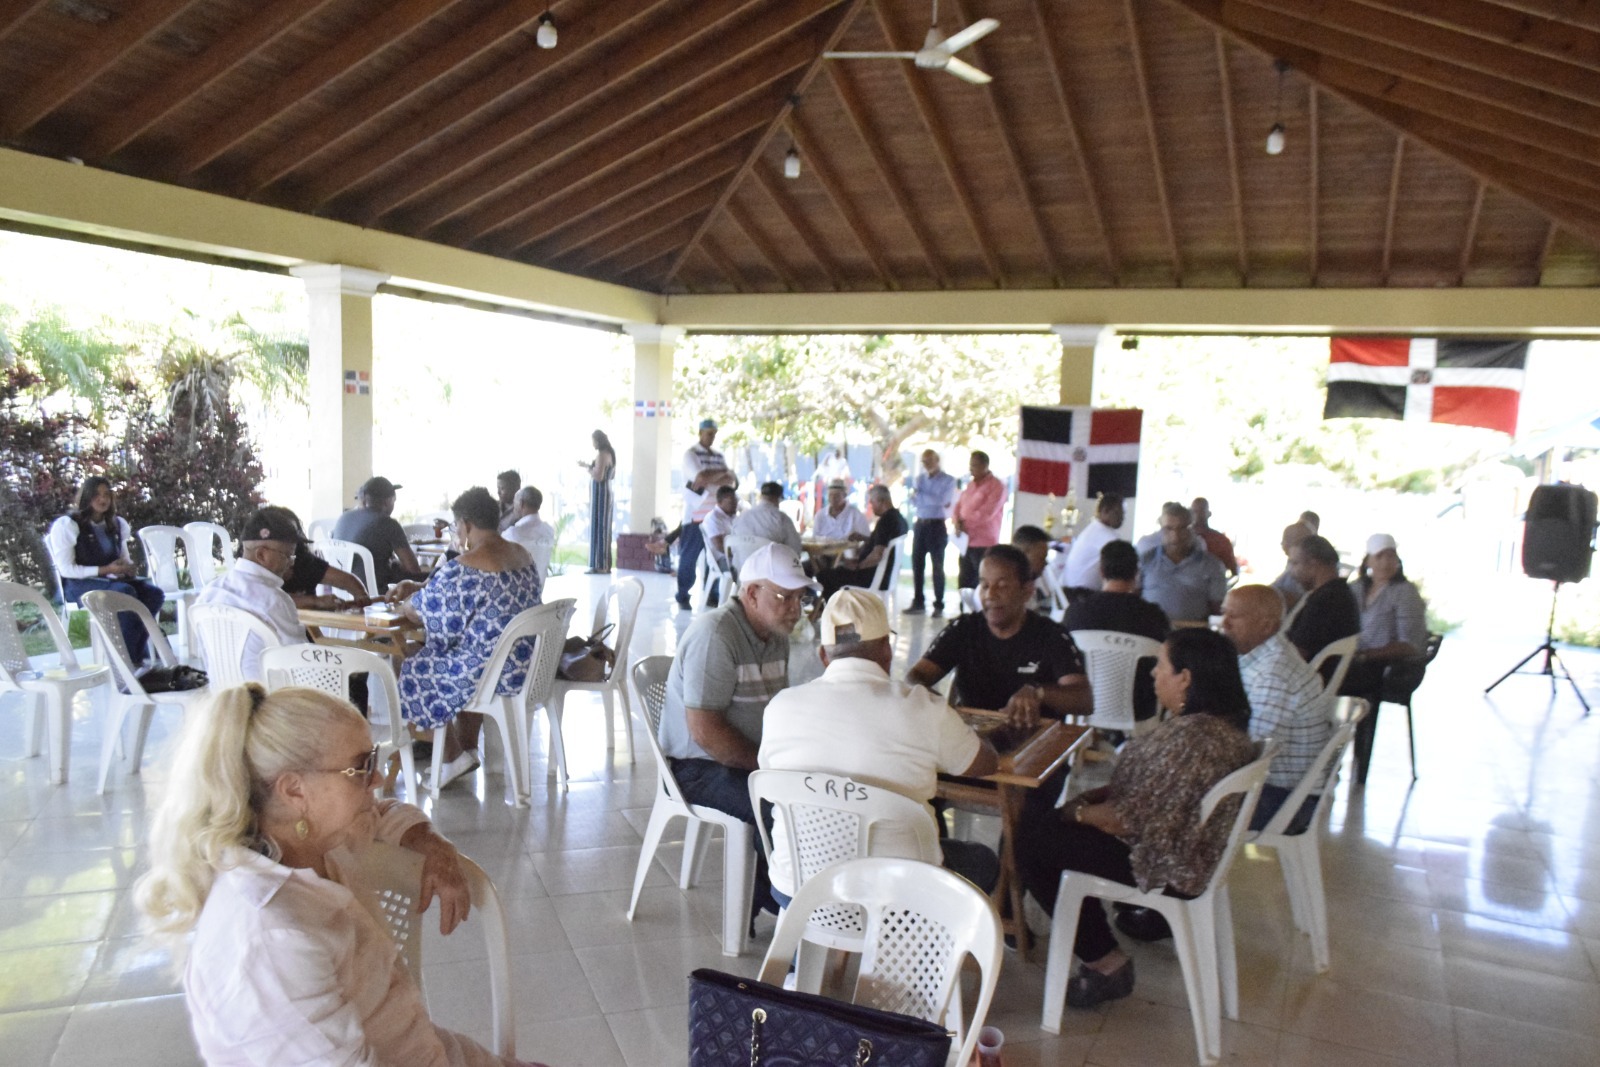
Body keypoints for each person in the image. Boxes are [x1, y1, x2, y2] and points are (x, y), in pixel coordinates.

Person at [134, 684, 541, 1067]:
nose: (379, 779)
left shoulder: (312, 842)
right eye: (362, 768)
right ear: (295, 791)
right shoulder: (271, 939)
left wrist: (431, 845)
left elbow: (385, 814)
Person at [1015, 628, 1257, 1009]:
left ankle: (1105, 962)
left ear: (1186, 678)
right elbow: (1153, 792)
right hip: (1186, 846)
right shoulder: (1220, 725)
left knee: (1032, 840)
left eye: (1161, 666)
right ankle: (1111, 931)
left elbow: (1122, 821)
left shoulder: (1194, 742)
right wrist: (1089, 800)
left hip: (1169, 861)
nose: (1153, 674)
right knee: (1048, 827)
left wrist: (1076, 811)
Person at [758, 589, 1000, 901]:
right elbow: (985, 763)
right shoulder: (923, 709)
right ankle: (924, 947)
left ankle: (807, 946)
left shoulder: (780, 708)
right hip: (898, 896)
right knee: (982, 861)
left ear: (824, 655)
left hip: (798, 888)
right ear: (887, 649)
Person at [657, 543, 814, 918]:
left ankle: (783, 893)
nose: (795, 609)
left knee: (812, 793)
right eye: (784, 597)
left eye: (800, 598)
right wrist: (768, 770)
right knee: (776, 805)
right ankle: (783, 903)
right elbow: (706, 732)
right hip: (694, 767)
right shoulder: (716, 636)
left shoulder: (775, 634)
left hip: (742, 758)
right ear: (752, 593)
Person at [394, 487, 542, 788]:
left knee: (407, 660)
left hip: (490, 672)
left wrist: (404, 601)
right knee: (460, 653)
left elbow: (419, 613)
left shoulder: (467, 565)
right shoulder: (522, 555)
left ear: (466, 525)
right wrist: (422, 587)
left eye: (455, 527)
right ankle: (468, 748)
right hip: (525, 664)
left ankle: (450, 756)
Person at [908, 545, 1092, 724]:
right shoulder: (964, 629)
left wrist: (1038, 692)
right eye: (985, 585)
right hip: (973, 741)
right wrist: (934, 701)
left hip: (1033, 741)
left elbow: (1083, 699)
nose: (990, 594)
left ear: (1027, 591)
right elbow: (914, 677)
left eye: (1002, 586)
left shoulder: (1051, 635)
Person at [1219, 585, 1329, 831]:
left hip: (1283, 800)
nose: (1223, 624)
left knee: (1175, 803)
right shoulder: (1259, 658)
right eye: (1223, 613)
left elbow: (1253, 753)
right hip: (1271, 787)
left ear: (1267, 626)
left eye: (1233, 617)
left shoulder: (1274, 674)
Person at [47, 476, 166, 666]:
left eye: (106, 495)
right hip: (78, 584)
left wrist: (126, 568)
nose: (102, 500)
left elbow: (123, 557)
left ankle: (134, 650)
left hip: (111, 581)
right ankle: (124, 659)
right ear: (86, 497)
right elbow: (67, 569)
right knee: (126, 593)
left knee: (154, 594)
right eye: (96, 495)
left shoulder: (116, 524)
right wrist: (105, 570)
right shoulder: (68, 525)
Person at [1341, 534, 1428, 784]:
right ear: (1368, 560)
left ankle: (1354, 762)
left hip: (1391, 668)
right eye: (1381, 556)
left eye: (1392, 556)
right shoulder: (1356, 589)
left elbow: (1410, 645)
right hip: (1356, 661)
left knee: (1337, 682)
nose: (1387, 562)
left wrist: (1365, 655)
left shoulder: (1405, 593)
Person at [194, 509, 310, 680]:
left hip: (222, 696)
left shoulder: (210, 591)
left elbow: (203, 653)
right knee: (353, 686)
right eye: (288, 555)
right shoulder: (273, 599)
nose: (291, 563)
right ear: (261, 554)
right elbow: (301, 659)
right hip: (268, 700)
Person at [1063, 540, 1170, 720]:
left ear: (1101, 571)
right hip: (1140, 711)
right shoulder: (1154, 616)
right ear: (1136, 574)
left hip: (1083, 708)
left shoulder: (1075, 613)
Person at [677, 419, 737, 609]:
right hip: (695, 515)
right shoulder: (691, 454)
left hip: (716, 515)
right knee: (689, 557)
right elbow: (700, 478)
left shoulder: (718, 456)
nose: (711, 437)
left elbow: (731, 481)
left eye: (714, 433)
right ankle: (683, 595)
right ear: (700, 433)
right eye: (708, 433)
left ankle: (711, 594)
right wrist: (721, 474)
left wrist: (713, 475)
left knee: (716, 556)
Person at [1284, 534, 1362, 682]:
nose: (1291, 572)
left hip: (1306, 684)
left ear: (1313, 565)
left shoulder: (1325, 601)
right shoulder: (1341, 593)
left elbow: (1297, 655)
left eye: (1295, 564)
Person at [263, 506, 370, 609]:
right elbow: (269, 599)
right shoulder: (255, 572)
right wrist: (315, 601)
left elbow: (347, 580)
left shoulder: (303, 560)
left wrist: (361, 595)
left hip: (303, 627)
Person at [1137, 501, 1227, 624]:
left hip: (1192, 634)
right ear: (1161, 529)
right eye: (1169, 529)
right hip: (1151, 631)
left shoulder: (1212, 565)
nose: (1176, 536)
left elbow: (1217, 608)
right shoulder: (1145, 561)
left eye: (1183, 528)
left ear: (1193, 529)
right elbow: (1134, 598)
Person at [330, 476, 424, 593]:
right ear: (388, 501)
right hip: (373, 593)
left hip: (340, 590)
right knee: (425, 580)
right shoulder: (388, 523)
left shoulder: (343, 518)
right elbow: (413, 569)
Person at [815, 485, 908, 599]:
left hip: (872, 577)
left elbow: (877, 554)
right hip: (887, 576)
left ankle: (832, 611)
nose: (871, 506)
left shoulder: (885, 521)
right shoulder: (899, 519)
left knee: (824, 575)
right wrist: (864, 538)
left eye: (872, 502)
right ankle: (833, 609)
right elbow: (883, 543)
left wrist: (858, 566)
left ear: (881, 501)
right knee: (837, 569)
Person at [908, 449, 958, 614]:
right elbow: (914, 501)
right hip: (920, 524)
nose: (927, 464)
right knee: (917, 564)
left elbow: (943, 501)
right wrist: (926, 497)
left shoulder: (949, 480)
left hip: (937, 526)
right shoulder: (919, 479)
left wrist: (923, 496)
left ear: (937, 460)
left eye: (929, 461)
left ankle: (938, 603)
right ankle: (918, 601)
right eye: (924, 461)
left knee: (937, 565)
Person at [951, 451, 1007, 590]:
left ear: (985, 466)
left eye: (975, 465)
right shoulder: (971, 485)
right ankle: (965, 610)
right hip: (966, 541)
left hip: (984, 543)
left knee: (981, 584)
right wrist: (957, 521)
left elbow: (987, 513)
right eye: (970, 465)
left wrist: (965, 524)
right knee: (964, 581)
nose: (971, 469)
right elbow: (959, 505)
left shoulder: (997, 486)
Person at [1061, 493, 1125, 592]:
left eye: (1123, 513)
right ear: (1105, 511)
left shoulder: (1093, 529)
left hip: (1069, 592)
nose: (1122, 517)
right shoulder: (1107, 536)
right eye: (1118, 513)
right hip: (1081, 595)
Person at [730, 481, 804, 556]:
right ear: (778, 498)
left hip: (742, 566)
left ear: (761, 496)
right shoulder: (781, 519)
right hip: (771, 566)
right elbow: (795, 550)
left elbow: (733, 549)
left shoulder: (741, 518)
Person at [580, 430, 616, 573]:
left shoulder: (602, 455)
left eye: (593, 440)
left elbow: (599, 476)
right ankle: (603, 564)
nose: (593, 443)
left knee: (600, 528)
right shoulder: (610, 454)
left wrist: (587, 467)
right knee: (603, 528)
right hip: (605, 492)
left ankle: (600, 565)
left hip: (601, 494)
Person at [1011, 524, 1056, 615]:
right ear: (1023, 554)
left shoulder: (1028, 583)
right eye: (1041, 558)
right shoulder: (1009, 592)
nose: (1046, 563)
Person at [1191, 496, 1239, 577]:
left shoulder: (1221, 541)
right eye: (1195, 511)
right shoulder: (1180, 540)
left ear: (1209, 514)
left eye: (1201, 511)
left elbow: (1234, 571)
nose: (1198, 515)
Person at [1272, 521, 1315, 611]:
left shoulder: (1303, 570)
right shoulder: (1292, 565)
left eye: (1286, 539)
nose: (1282, 543)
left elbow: (1296, 599)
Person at [503, 486, 556, 558]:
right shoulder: (549, 530)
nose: (513, 507)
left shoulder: (512, 533)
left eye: (514, 502)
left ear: (521, 503)